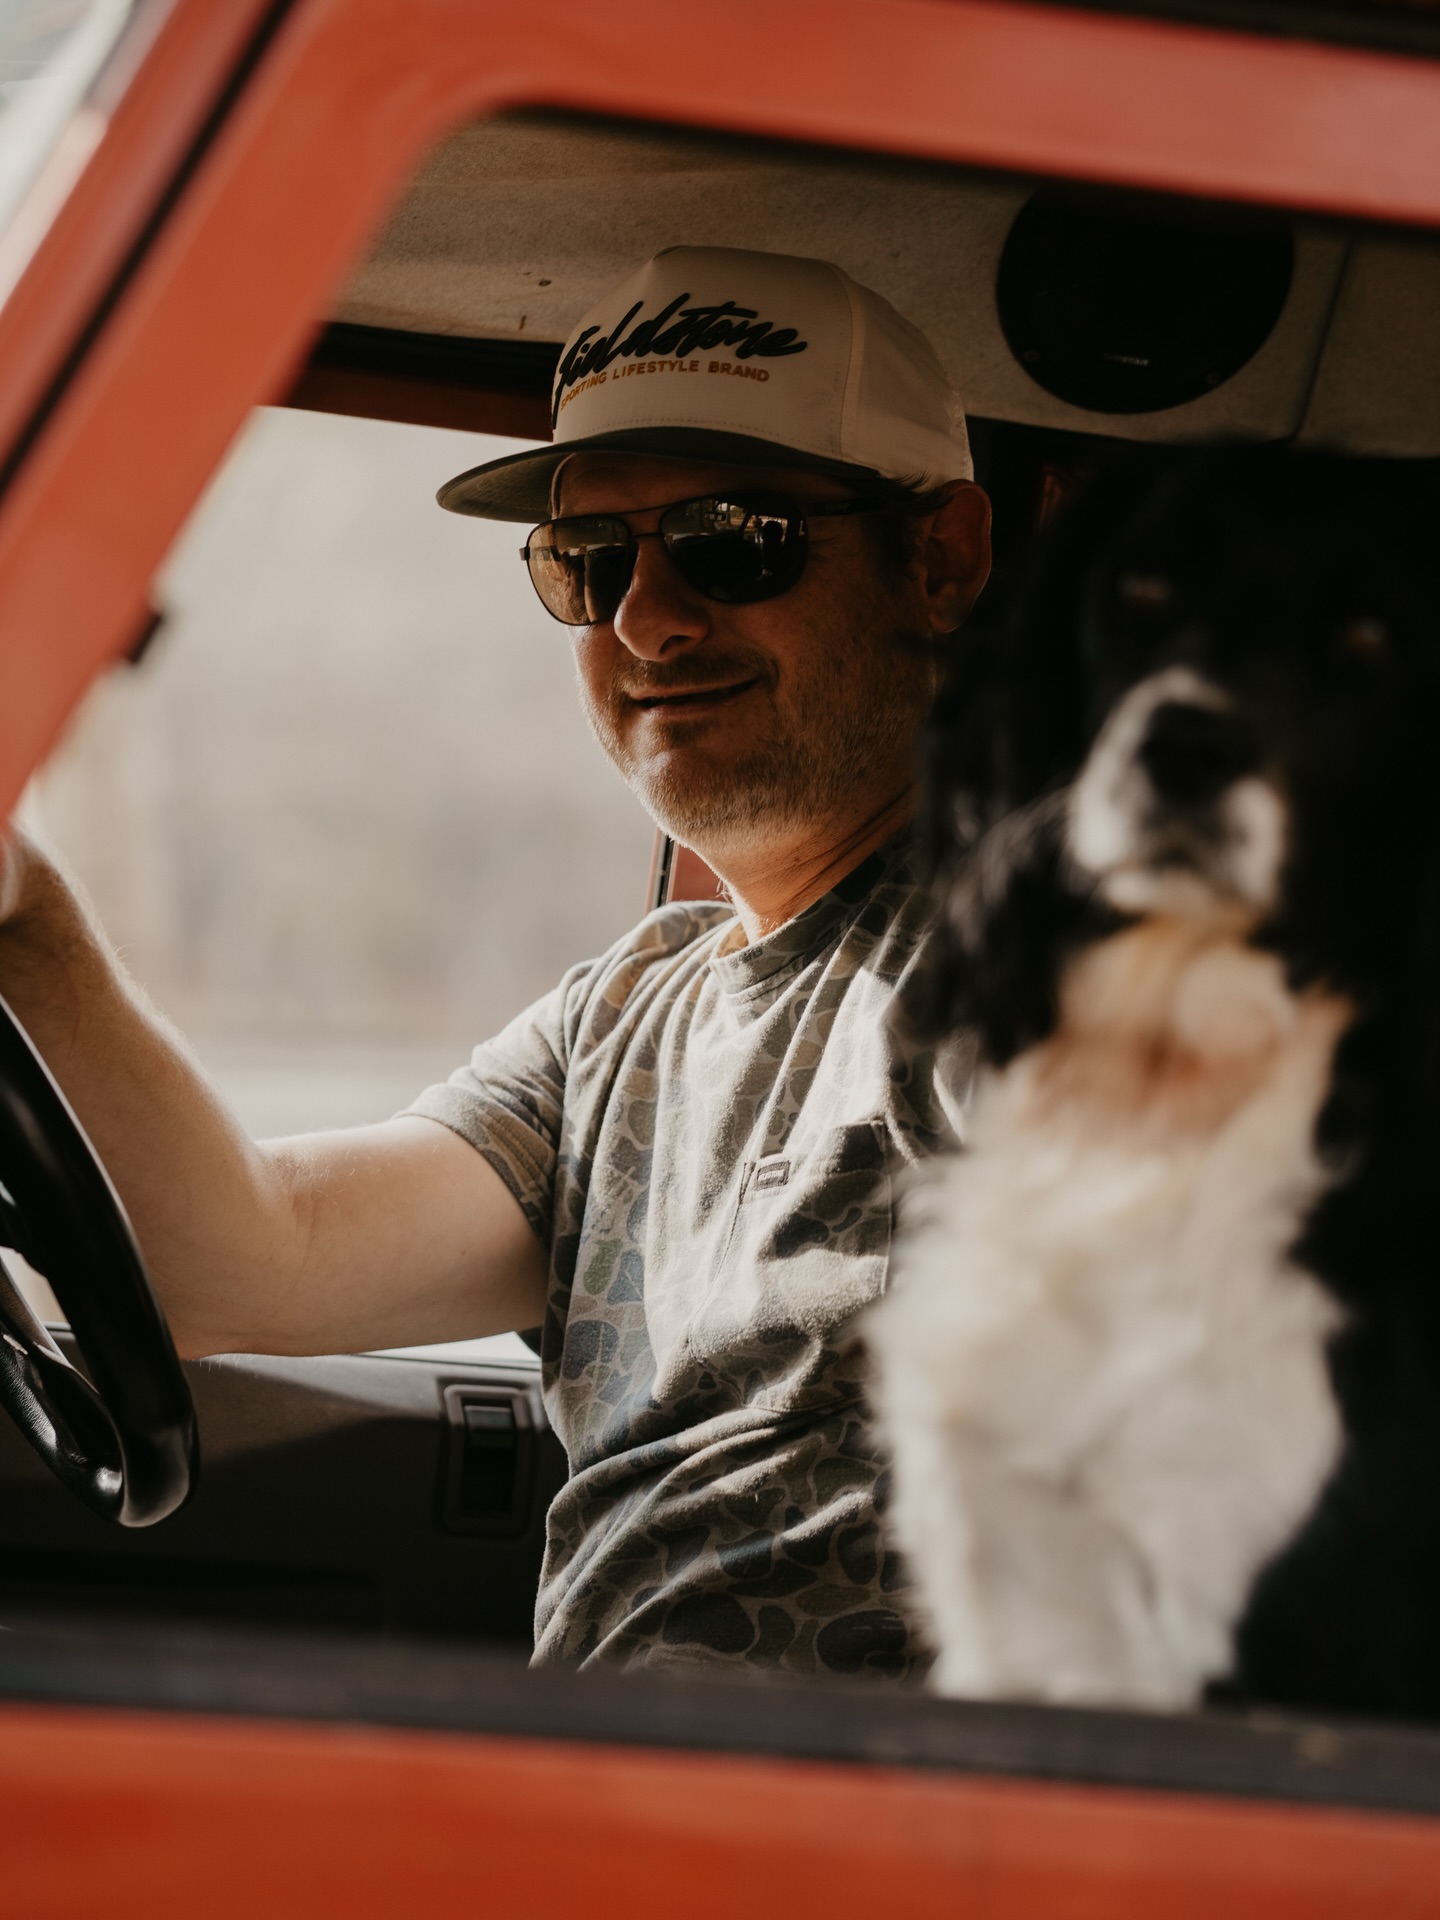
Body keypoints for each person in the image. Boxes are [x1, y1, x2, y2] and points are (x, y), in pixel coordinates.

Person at [0, 246, 991, 1678]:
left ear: (940, 560)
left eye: (734, 539)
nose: (645, 619)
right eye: (591, 563)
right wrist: (28, 920)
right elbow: (246, 1258)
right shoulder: (630, 1015)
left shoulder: (1059, 956)